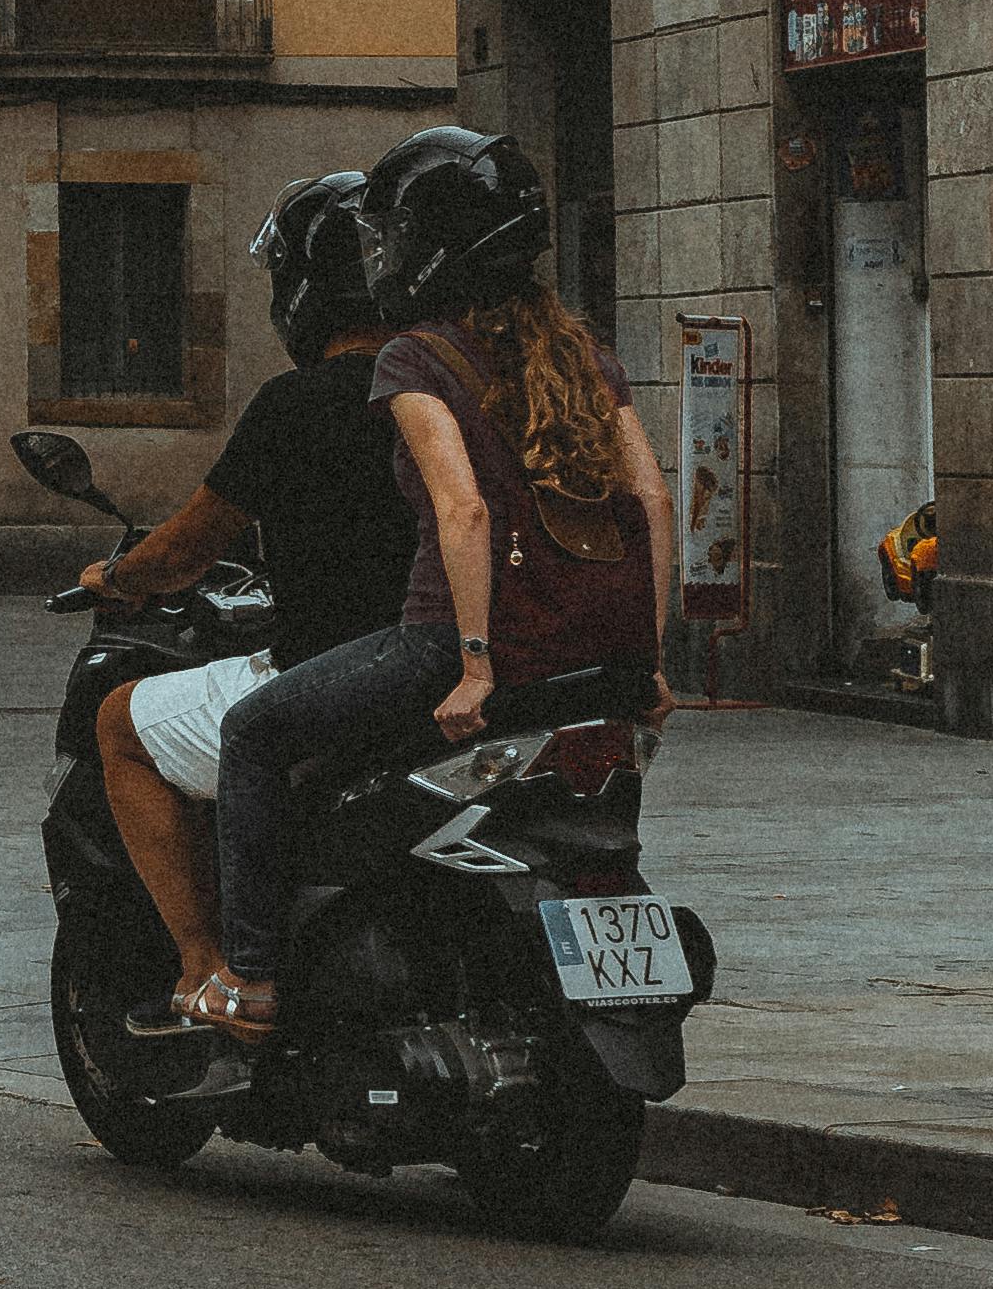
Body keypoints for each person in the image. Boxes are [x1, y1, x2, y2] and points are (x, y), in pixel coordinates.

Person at [196, 127, 676, 1049]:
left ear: (427, 248)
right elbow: (649, 497)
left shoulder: (415, 359)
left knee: (250, 733)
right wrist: (644, 657)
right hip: (590, 661)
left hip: (453, 642)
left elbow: (461, 512)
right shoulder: (582, 353)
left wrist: (471, 665)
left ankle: (250, 979)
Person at [74, 169, 419, 1031]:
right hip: (451, 660)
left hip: (344, 666)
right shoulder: (455, 387)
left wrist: (116, 578)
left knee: (119, 721)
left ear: (299, 290)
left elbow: (190, 544)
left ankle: (210, 967)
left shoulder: (299, 401)